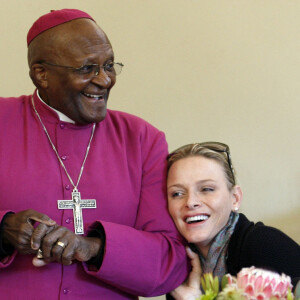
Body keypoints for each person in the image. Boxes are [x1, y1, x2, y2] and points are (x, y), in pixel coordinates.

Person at [0, 9, 188, 299]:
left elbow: (170, 261)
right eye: (87, 68)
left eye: (110, 65)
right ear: (42, 74)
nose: (105, 80)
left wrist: (93, 247)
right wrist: (3, 228)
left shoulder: (142, 139)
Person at [166, 142, 300, 299]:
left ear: (235, 198)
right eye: (177, 193)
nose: (190, 202)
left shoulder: (263, 244)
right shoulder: (178, 268)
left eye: (206, 189)